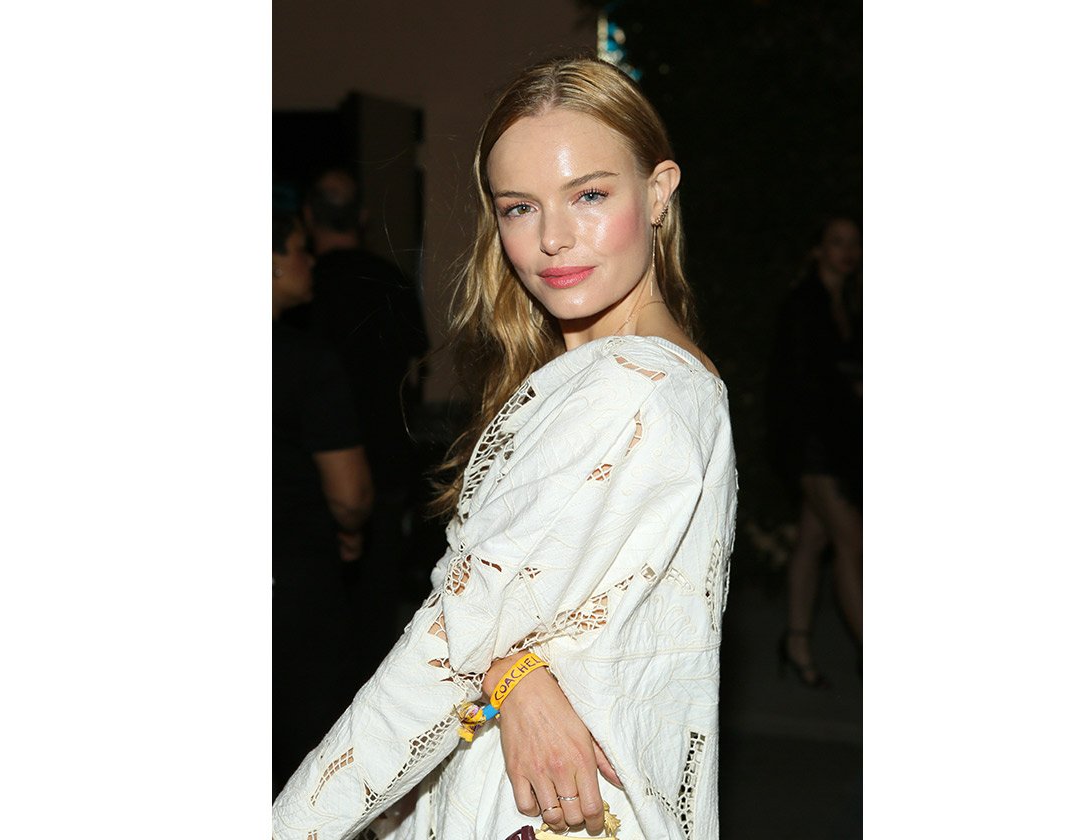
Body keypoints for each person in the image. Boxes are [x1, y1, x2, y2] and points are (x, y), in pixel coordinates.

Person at [272, 56, 737, 840]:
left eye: (590, 195)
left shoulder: (631, 388)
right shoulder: (662, 375)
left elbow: (451, 638)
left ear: (659, 192)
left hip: (544, 812)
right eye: (520, 207)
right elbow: (542, 615)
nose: (553, 237)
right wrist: (512, 671)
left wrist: (293, 825)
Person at [296, 168, 431, 680]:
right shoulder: (390, 280)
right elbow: (416, 371)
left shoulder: (300, 287)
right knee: (375, 618)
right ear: (364, 217)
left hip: (308, 476)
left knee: (310, 628)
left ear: (309, 216)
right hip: (384, 464)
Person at [272, 208, 376, 793]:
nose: (309, 261)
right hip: (294, 582)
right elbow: (350, 493)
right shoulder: (305, 362)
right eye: (297, 248)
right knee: (307, 752)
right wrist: (352, 531)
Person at [767, 215, 862, 688]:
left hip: (840, 441)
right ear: (818, 250)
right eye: (837, 242)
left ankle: (796, 642)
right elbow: (801, 382)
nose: (848, 251)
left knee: (814, 540)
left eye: (854, 244)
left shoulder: (850, 302)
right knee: (854, 543)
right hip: (814, 444)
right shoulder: (804, 303)